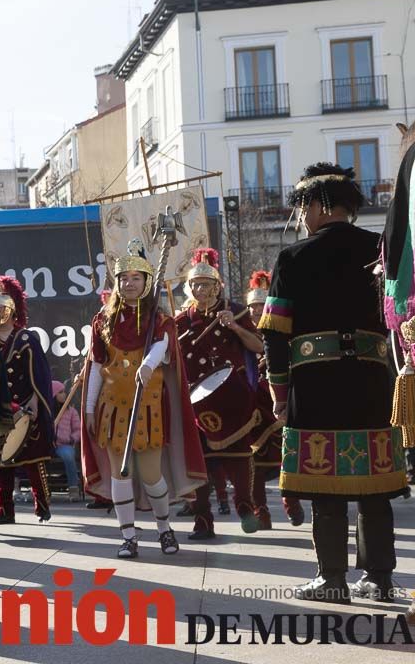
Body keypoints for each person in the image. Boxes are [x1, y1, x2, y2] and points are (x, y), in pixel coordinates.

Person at [265, 163, 407, 604]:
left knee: (326, 483)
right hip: (372, 379)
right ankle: (380, 578)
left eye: (302, 206)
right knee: (375, 483)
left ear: (316, 203)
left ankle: (332, 580)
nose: (301, 217)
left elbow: (275, 330)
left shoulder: (293, 256)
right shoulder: (381, 248)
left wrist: (279, 395)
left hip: (316, 380)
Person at [80, 239, 207, 559]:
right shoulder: (103, 321)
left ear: (147, 282)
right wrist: (90, 405)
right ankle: (128, 536)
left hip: (148, 406)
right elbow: (96, 365)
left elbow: (162, 346)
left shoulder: (160, 320)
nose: (129, 283)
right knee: (119, 474)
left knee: (151, 473)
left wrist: (149, 365)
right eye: (124, 278)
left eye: (136, 278)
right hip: (112, 406)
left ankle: (164, 528)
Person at [174, 248, 262, 539]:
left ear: (217, 286)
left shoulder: (235, 310)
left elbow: (258, 346)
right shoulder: (180, 321)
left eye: (206, 284)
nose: (201, 289)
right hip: (196, 402)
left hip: (231, 397)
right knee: (200, 463)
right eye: (195, 284)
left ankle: (245, 507)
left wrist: (234, 326)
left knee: (238, 456)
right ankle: (202, 521)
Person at [0, 275, 55, 525]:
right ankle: (5, 509)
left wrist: (36, 401)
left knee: (33, 460)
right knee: (2, 462)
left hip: (26, 406)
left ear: (9, 311)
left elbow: (39, 374)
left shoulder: (26, 339)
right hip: (1, 410)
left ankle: (42, 505)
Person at [244, 271, 304, 529]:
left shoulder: (282, 331)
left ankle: (292, 504)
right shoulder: (240, 334)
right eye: (252, 307)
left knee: (287, 458)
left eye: (261, 306)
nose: (257, 311)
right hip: (252, 408)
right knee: (255, 464)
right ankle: (261, 512)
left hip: (278, 402)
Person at [53, 380, 82, 502]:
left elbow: (78, 429)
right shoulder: (46, 411)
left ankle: (73, 488)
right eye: (60, 392)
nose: (64, 394)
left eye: (64, 392)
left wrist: (72, 438)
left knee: (68, 456)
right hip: (49, 445)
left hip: (64, 445)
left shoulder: (71, 412)